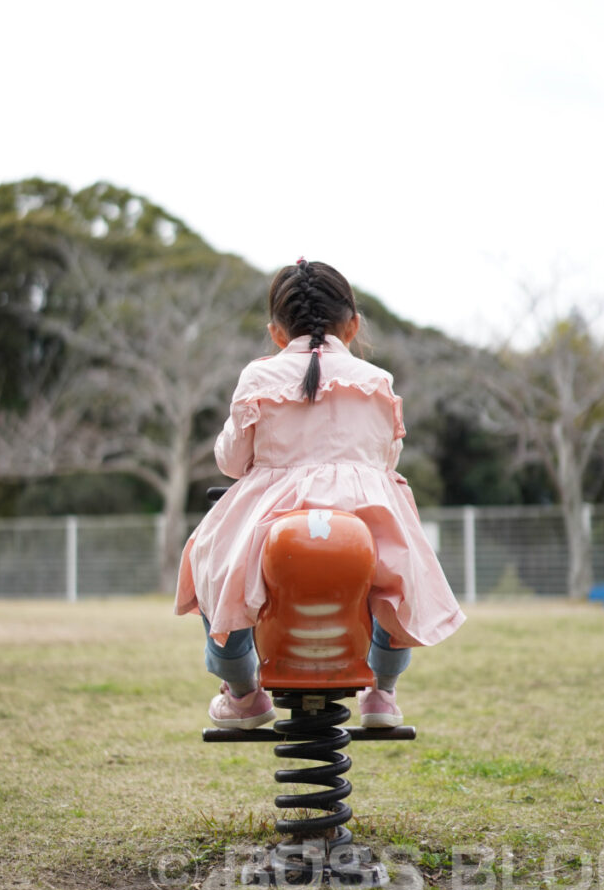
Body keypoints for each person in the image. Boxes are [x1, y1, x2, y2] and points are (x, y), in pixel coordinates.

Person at [175, 259, 466, 729]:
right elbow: (385, 459)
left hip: (274, 509)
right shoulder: (377, 382)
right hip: (363, 509)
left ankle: (243, 692)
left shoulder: (258, 378)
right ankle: (382, 691)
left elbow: (231, 462)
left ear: (276, 333)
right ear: (352, 327)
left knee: (213, 565)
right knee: (398, 575)